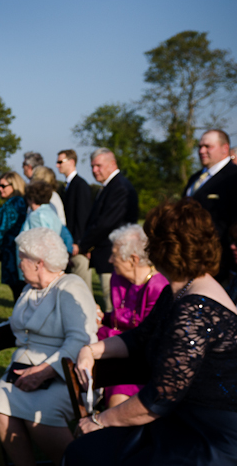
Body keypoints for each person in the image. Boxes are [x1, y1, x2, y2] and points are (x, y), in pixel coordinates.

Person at [65, 198, 237, 466]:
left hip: (208, 438)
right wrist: (92, 350)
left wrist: (100, 419)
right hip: (179, 421)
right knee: (84, 452)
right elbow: (140, 337)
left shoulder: (195, 308)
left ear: (162, 249)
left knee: (86, 453)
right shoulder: (181, 290)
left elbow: (159, 398)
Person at [0, 228, 97, 466]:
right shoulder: (29, 289)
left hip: (65, 373)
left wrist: (44, 371)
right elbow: (19, 326)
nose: (19, 263)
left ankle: (73, 461)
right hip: (24, 370)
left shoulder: (70, 287)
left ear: (39, 263)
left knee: (44, 410)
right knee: (0, 404)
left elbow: (80, 339)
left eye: (22, 257)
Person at [96, 224, 168, 408]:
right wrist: (102, 317)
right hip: (119, 348)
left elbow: (143, 334)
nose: (110, 260)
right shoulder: (118, 278)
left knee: (118, 397)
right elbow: (123, 318)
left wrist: (106, 331)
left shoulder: (158, 287)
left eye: (115, 255)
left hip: (140, 362)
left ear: (133, 260)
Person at [77, 148, 138, 312]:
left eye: (98, 165)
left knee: (114, 303)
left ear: (112, 164)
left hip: (115, 257)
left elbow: (105, 223)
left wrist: (84, 246)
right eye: (92, 166)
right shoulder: (109, 186)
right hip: (106, 254)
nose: (94, 170)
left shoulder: (119, 187)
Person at [183, 129, 237, 282]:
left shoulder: (233, 177)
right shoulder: (196, 177)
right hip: (192, 259)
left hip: (220, 264)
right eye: (200, 147)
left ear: (224, 148)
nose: (201, 151)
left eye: (208, 146)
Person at [0, 171, 28, 301]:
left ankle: (19, 319)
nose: (0, 189)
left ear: (14, 185)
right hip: (16, 251)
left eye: (3, 186)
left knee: (18, 291)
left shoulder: (14, 203)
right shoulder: (21, 201)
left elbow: (4, 229)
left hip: (12, 252)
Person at [57, 149, 93, 290]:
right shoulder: (65, 186)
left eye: (60, 162)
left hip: (77, 246)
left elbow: (83, 217)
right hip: (68, 244)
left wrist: (79, 242)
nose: (57, 165)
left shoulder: (81, 185)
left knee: (82, 286)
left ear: (72, 162)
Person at [21, 181, 73, 255]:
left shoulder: (36, 216)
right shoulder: (52, 214)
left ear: (31, 199)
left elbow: (38, 244)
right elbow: (67, 237)